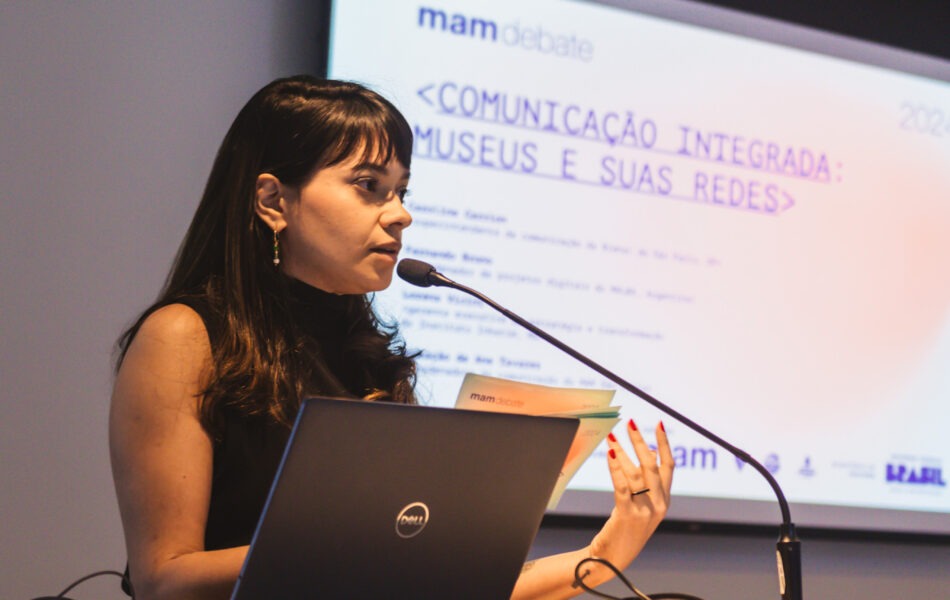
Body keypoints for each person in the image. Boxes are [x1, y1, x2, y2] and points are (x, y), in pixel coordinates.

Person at [109, 75, 674, 600]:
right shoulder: (185, 337)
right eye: (369, 187)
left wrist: (608, 550)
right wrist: (354, 546)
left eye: (401, 191)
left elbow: (443, 581)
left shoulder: (367, 357)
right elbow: (165, 577)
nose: (400, 215)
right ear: (273, 202)